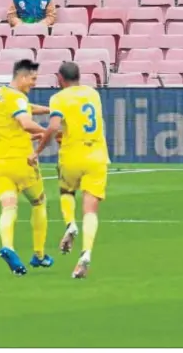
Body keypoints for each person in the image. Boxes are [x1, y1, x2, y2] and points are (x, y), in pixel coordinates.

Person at [29, 62, 109, 279]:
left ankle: (70, 224)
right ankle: (86, 254)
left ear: (59, 78)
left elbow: (55, 126)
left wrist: (39, 149)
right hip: (97, 155)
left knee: (66, 192)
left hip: (72, 154)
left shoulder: (58, 98)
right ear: (79, 76)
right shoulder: (93, 94)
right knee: (91, 210)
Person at [0, 59, 54, 276]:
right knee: (39, 202)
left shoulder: (1, 94)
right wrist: (48, 132)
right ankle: (39, 254)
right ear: (23, 77)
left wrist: (50, 110)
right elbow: (25, 121)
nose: (34, 83)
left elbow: (25, 108)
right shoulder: (17, 98)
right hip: (21, 163)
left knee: (8, 207)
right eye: (33, 79)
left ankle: (8, 246)